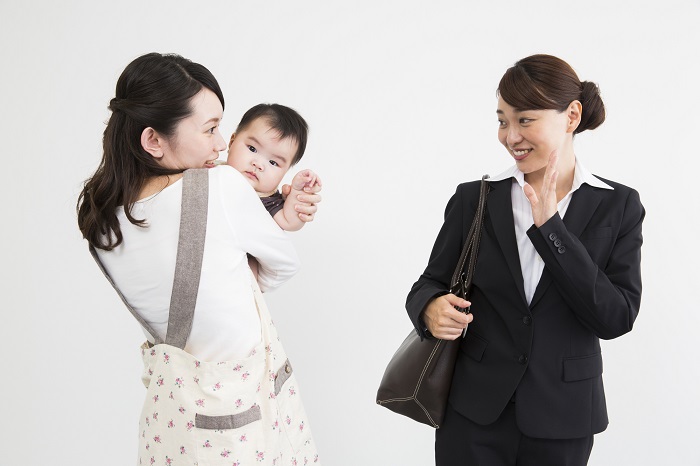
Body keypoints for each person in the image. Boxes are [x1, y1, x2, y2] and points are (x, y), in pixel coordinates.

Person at [77, 52, 320, 464]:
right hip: (245, 421)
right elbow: (284, 264)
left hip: (172, 426)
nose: (222, 143)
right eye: (210, 128)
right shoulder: (222, 187)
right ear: (153, 140)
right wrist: (282, 223)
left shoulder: (102, 223)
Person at [406, 54, 644, 465]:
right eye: (502, 120)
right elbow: (428, 283)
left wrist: (551, 228)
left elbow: (616, 317)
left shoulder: (618, 205)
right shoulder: (475, 198)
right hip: (473, 414)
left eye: (525, 120)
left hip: (564, 415)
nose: (510, 135)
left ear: (571, 116)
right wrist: (430, 308)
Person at [221, 103, 321, 232]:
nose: (258, 164)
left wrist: (297, 193)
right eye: (252, 149)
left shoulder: (267, 200)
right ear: (232, 142)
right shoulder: (209, 169)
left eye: (273, 162)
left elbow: (289, 222)